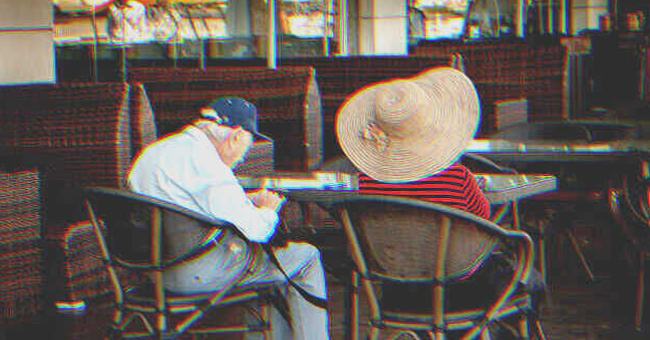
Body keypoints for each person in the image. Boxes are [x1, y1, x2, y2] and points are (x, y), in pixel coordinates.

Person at [335, 67, 543, 331]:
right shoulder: (458, 178)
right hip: (462, 290)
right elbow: (484, 227)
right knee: (530, 277)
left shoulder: (366, 183)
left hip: (395, 291)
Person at [128, 97, 329, 340]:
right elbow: (259, 230)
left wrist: (243, 200)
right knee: (304, 257)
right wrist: (268, 209)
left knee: (266, 265)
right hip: (193, 273)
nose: (243, 158)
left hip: (152, 269)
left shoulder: (155, 151)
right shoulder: (207, 163)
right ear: (235, 136)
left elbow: (185, 203)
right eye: (248, 145)